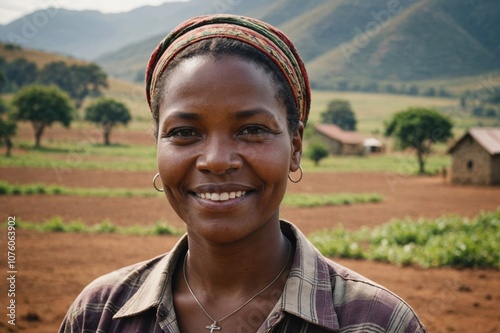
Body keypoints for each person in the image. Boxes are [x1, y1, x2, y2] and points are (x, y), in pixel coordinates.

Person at [59, 14, 427, 332]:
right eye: (184, 133)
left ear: (296, 148)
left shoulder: (376, 323)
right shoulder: (98, 316)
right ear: (157, 146)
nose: (216, 161)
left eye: (252, 130)